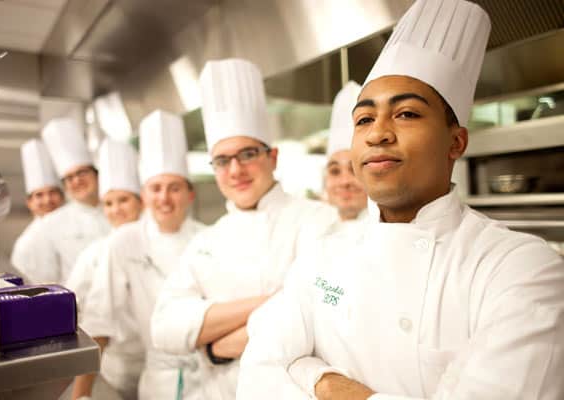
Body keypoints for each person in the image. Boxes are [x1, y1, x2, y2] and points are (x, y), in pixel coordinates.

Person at [237, 1, 564, 399]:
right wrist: (321, 381)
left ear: (456, 141)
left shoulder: (520, 267)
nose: (378, 134)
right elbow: (257, 375)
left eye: (406, 113)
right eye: (364, 120)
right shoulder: (322, 257)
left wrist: (311, 373)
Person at [150, 58, 337, 400]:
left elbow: (326, 311)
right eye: (222, 160)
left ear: (273, 156)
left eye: (248, 153)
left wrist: (217, 346)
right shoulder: (208, 240)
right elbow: (163, 328)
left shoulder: (318, 220)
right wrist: (273, 302)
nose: (235, 169)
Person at [81, 110, 205, 400]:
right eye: (156, 188)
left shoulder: (208, 238)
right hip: (156, 382)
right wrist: (81, 393)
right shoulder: (125, 241)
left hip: (211, 379)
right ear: (145, 195)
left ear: (190, 194)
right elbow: (99, 320)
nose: (164, 198)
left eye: (174, 188)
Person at [68, 138, 145, 400]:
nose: (115, 210)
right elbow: (86, 315)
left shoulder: (157, 242)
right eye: (109, 203)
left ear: (141, 202)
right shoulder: (94, 254)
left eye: (123, 200)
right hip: (117, 370)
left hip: (163, 367)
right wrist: (81, 392)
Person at [27, 118, 110, 285]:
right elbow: (46, 283)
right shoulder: (50, 224)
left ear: (96, 174)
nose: (77, 181)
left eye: (82, 173)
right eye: (69, 177)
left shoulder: (120, 212)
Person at [10, 139, 64, 281]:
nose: (47, 200)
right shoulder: (25, 244)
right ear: (29, 202)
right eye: (39, 195)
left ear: (62, 197)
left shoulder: (75, 228)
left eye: (52, 192)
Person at [324, 81, 368, 224]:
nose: (344, 182)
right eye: (335, 171)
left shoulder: (391, 232)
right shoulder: (313, 234)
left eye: (354, 170)